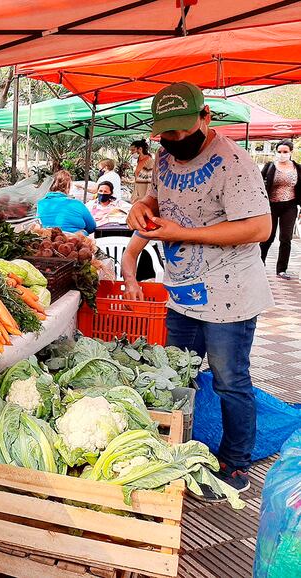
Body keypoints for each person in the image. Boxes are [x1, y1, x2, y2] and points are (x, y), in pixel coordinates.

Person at [122, 82, 272, 500]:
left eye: (181, 131)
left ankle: (235, 463)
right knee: (175, 375)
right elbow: (158, 200)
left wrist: (184, 232)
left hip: (231, 294)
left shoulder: (234, 163)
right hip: (183, 293)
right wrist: (143, 209)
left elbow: (261, 228)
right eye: (166, 134)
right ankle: (175, 452)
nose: (173, 142)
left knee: (229, 381)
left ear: (205, 118)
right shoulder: (163, 159)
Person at [259, 140, 301, 279]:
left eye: (285, 152)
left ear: (290, 153)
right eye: (279, 152)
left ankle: (282, 269)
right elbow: (259, 183)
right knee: (268, 237)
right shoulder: (270, 166)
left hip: (290, 206)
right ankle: (260, 263)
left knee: (286, 238)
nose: (282, 154)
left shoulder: (297, 168)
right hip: (271, 206)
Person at [130, 139, 154, 203]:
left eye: (133, 150)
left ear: (140, 149)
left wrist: (146, 199)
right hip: (137, 195)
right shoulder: (139, 161)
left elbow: (150, 182)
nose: (131, 152)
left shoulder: (150, 162)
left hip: (145, 196)